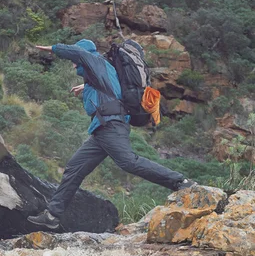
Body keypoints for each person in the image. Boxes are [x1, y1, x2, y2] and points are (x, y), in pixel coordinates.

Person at [28, 39, 195, 230]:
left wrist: (54, 48)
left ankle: (181, 182)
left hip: (111, 126)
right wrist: (86, 87)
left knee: (128, 162)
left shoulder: (95, 60)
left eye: (75, 60)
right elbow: (111, 88)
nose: (73, 64)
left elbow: (79, 54)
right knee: (74, 167)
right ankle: (52, 215)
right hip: (101, 131)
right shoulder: (98, 72)